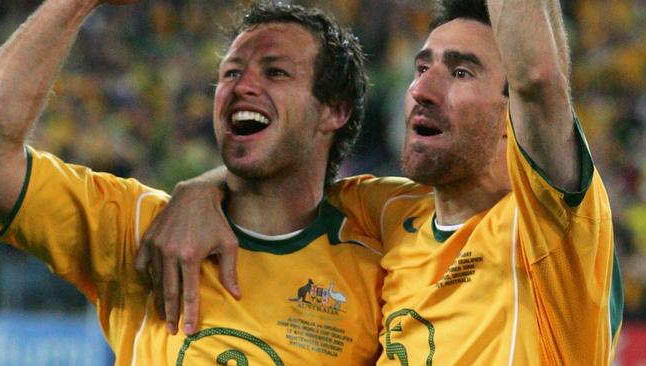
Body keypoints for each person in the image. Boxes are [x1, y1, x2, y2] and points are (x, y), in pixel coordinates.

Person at [139, 0, 624, 364]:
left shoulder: (549, 228)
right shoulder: (389, 212)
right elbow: (285, 168)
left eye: (459, 71)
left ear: (511, 114)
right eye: (421, 67)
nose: (420, 89)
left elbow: (539, 78)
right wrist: (201, 188)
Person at [0, 0, 385, 364]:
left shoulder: (375, 269)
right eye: (231, 72)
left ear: (335, 110)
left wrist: (205, 185)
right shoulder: (139, 228)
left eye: (275, 71)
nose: (241, 86)